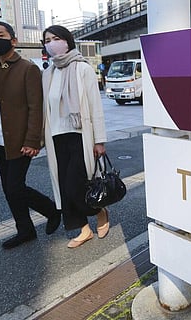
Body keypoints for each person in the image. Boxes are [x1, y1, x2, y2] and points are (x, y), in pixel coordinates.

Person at [0, 21, 61, 249]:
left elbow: (35, 107)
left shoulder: (28, 69)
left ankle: (51, 210)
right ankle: (26, 229)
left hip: (20, 142)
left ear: (13, 40)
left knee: (14, 187)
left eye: (0, 34)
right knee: (8, 188)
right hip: (0, 142)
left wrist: (32, 141)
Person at [41, 25, 109, 249]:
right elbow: (46, 109)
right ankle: (83, 229)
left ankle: (99, 211)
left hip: (80, 136)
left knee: (75, 185)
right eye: (47, 40)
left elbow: (95, 105)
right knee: (63, 185)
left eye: (56, 38)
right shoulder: (48, 73)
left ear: (67, 40)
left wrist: (99, 140)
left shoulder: (82, 68)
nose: (52, 43)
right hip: (57, 137)